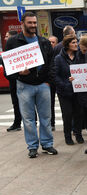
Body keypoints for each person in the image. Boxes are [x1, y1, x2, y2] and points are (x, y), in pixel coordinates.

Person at [4, 12, 58, 158]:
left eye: (35, 23)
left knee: (46, 117)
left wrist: (48, 82)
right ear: (22, 23)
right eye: (30, 23)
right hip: (24, 85)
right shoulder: (13, 42)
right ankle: (32, 147)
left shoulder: (44, 41)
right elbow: (7, 65)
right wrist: (18, 74)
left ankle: (47, 144)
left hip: (43, 85)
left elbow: (52, 63)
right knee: (28, 120)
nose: (33, 25)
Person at [54, 34, 84, 145]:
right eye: (73, 43)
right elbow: (55, 75)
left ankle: (78, 134)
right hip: (64, 92)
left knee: (79, 114)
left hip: (77, 91)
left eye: (76, 42)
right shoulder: (59, 58)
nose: (76, 45)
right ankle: (67, 136)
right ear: (67, 45)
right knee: (67, 115)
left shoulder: (79, 56)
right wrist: (66, 84)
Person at [4, 30, 22, 132]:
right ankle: (17, 123)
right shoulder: (8, 50)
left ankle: (33, 121)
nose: (5, 38)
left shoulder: (18, 50)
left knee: (28, 103)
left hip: (21, 81)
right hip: (13, 82)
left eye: (7, 36)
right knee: (15, 103)